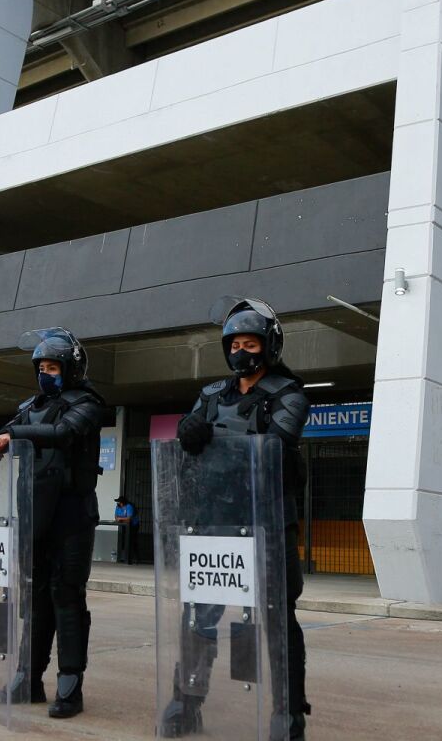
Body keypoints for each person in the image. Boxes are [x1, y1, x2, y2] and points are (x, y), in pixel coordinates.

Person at [165, 297, 309, 740]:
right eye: (234, 344)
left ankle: (287, 715)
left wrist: (215, 437)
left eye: (250, 343)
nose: (241, 352)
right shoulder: (210, 396)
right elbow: (188, 435)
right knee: (197, 616)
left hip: (265, 523)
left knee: (278, 617)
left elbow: (277, 443)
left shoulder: (289, 393)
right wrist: (188, 432)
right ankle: (186, 703)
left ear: (268, 346)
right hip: (213, 523)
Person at [0, 327, 108, 720]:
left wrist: (10, 435)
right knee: (35, 599)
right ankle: (28, 679)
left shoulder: (88, 403)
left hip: (72, 516)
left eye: (53, 366)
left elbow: (62, 433)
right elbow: (7, 434)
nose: (46, 373)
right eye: (41, 367)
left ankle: (70, 684)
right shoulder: (32, 405)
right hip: (34, 514)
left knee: (67, 597)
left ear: (71, 369)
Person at [113, 495, 138, 565]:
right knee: (123, 540)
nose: (118, 503)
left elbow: (129, 519)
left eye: (119, 502)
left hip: (133, 526)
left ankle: (134, 559)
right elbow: (116, 517)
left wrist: (120, 519)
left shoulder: (129, 507)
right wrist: (122, 519)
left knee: (131, 540)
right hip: (124, 525)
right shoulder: (118, 507)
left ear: (123, 502)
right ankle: (123, 557)